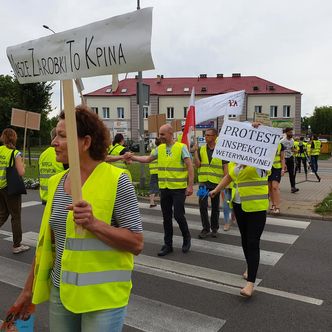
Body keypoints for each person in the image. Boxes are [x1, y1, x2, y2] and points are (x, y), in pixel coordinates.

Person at [12, 106, 143, 332]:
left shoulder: (117, 180)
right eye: (55, 135)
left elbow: (136, 243)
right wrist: (27, 290)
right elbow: (46, 245)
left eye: (62, 136)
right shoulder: (56, 183)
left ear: (86, 142)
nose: (53, 141)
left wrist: (94, 224)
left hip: (102, 299)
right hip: (61, 292)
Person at [131, 124, 194, 256]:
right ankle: (168, 245)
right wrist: (132, 157)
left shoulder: (181, 147)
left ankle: (186, 237)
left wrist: (190, 185)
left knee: (178, 215)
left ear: (171, 134)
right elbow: (148, 159)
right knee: (166, 218)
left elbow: (189, 166)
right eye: (160, 134)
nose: (160, 137)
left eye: (162, 134)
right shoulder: (159, 148)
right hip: (164, 188)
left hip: (178, 189)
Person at [210, 163, 270, 297]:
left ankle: (250, 284)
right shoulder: (235, 162)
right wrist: (217, 189)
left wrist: (247, 163)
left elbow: (265, 172)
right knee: (245, 240)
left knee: (253, 242)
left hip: (257, 207)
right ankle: (250, 266)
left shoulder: (262, 161)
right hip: (239, 206)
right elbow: (229, 176)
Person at [193, 128, 228, 238]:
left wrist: (223, 184)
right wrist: (195, 152)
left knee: (215, 206)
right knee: (202, 204)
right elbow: (198, 165)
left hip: (215, 184)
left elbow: (226, 170)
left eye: (208, 135)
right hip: (203, 182)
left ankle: (214, 228)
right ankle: (205, 228)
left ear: (214, 137)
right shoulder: (201, 149)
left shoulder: (221, 150)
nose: (206, 137)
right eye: (205, 135)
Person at [0, 128, 30, 254]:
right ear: (14, 138)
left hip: (0, 187)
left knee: (2, 214)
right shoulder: (15, 153)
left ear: (3, 138)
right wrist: (23, 166)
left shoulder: (0, 150)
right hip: (10, 188)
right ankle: (17, 245)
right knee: (15, 216)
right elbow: (21, 172)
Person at [38, 128, 67, 204]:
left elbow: (39, 173)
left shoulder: (43, 154)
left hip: (45, 195)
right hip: (59, 196)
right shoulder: (63, 154)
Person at [268, 142, 286, 215]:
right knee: (269, 187)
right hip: (268, 168)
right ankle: (273, 204)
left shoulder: (280, 145)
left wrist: (283, 169)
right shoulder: (266, 143)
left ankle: (277, 206)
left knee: (275, 187)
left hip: (277, 168)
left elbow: (282, 158)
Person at [280, 127, 299, 193]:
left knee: (292, 173)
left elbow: (291, 148)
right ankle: (276, 186)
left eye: (292, 132)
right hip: (284, 158)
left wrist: (295, 150)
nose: (292, 133)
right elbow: (280, 150)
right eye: (290, 132)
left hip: (290, 157)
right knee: (280, 172)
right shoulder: (282, 141)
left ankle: (293, 187)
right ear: (286, 133)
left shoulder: (292, 140)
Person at [149, 137, 161, 208]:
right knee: (162, 187)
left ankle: (152, 202)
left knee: (153, 186)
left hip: (153, 171)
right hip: (159, 171)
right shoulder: (161, 150)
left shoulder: (153, 150)